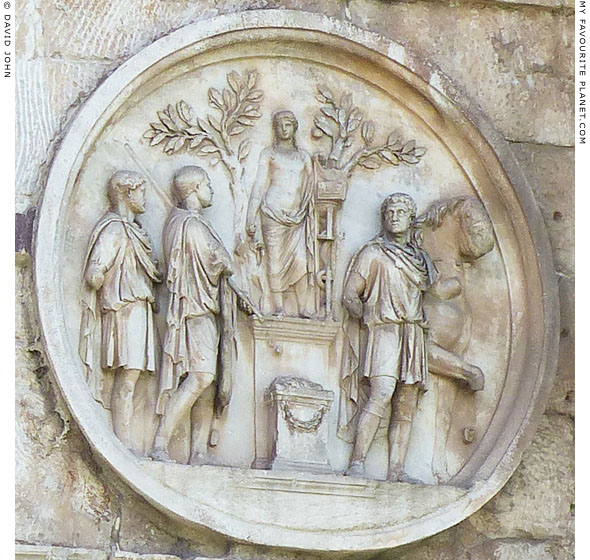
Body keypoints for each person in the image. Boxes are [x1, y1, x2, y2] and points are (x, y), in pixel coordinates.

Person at [150, 166, 255, 463]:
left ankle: (197, 452)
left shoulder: (184, 223)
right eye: (208, 184)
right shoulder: (191, 226)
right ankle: (160, 441)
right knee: (201, 376)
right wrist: (223, 262)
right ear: (194, 189)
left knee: (207, 383)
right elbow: (213, 262)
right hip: (194, 310)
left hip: (206, 311)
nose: (213, 190)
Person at [339, 192, 436, 481]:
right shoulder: (373, 253)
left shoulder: (422, 260)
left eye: (401, 212)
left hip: (412, 332)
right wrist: (368, 317)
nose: (394, 216)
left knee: (406, 403)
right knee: (381, 394)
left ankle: (396, 471)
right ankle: (357, 462)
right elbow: (349, 294)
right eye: (390, 212)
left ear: (410, 218)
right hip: (385, 330)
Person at [79, 170, 161, 452]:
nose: (144, 197)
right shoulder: (114, 229)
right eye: (141, 191)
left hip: (139, 306)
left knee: (134, 375)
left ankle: (125, 438)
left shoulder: (135, 230)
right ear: (128, 193)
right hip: (124, 308)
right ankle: (121, 441)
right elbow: (94, 271)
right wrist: (101, 276)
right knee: (128, 374)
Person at [246, 110, 316, 317]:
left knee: (300, 261)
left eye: (288, 124)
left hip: (298, 216)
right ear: (275, 129)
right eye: (280, 125)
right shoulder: (269, 153)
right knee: (275, 260)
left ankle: (303, 307)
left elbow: (312, 186)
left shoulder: (304, 157)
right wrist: (251, 216)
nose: (284, 128)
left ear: (295, 128)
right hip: (272, 213)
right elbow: (259, 186)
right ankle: (278, 307)